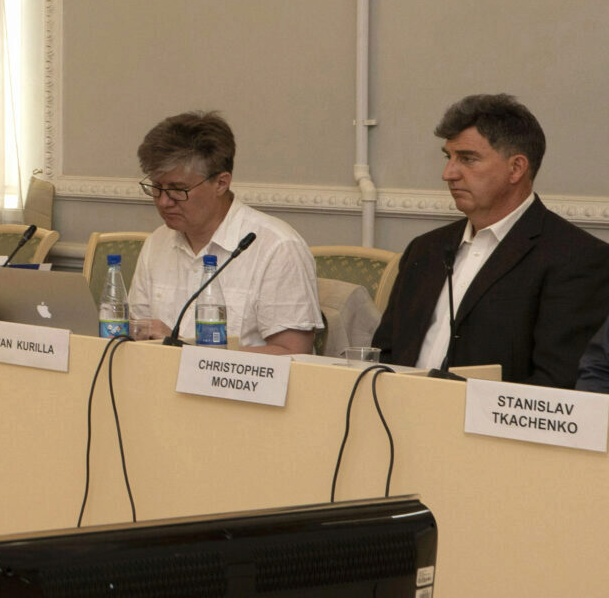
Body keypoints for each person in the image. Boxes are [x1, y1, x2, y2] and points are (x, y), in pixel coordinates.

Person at [375, 95, 609, 386]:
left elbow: (557, 384)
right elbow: (384, 354)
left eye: (467, 159)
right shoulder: (426, 249)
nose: (448, 174)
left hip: (493, 416)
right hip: (398, 409)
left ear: (516, 168)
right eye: (449, 158)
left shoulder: (576, 258)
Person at [123, 111, 320, 354]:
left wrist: (185, 351)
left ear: (221, 183)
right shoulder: (157, 242)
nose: (163, 202)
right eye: (156, 187)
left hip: (241, 380)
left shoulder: (277, 247)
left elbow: (294, 354)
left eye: (178, 189)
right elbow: (137, 334)